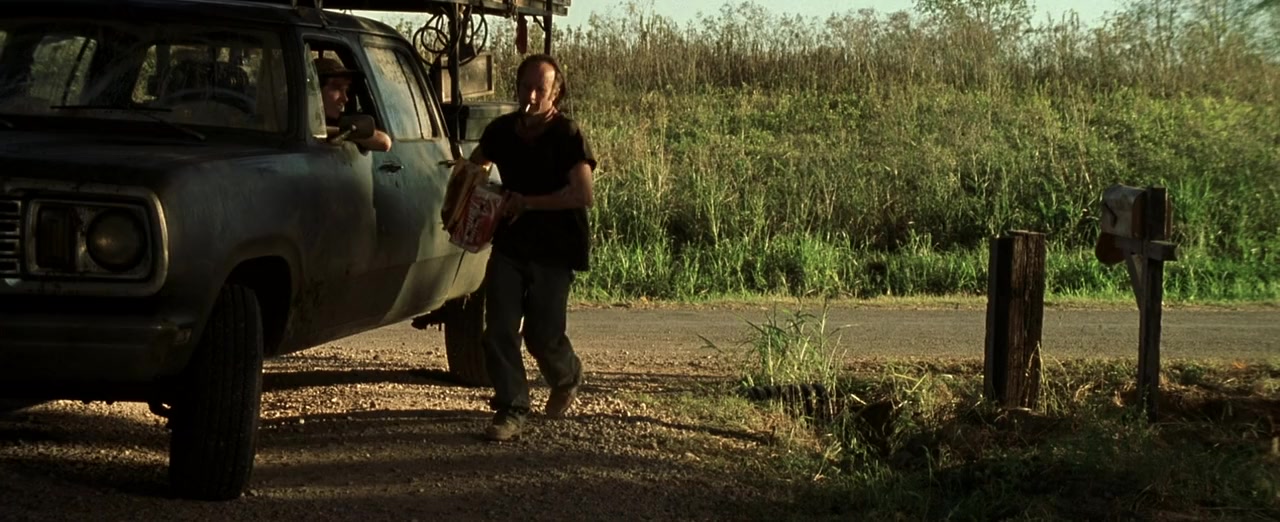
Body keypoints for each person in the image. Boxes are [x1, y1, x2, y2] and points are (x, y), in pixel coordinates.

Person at [467, 54, 597, 442]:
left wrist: (529, 203)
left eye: (541, 89)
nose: (532, 96)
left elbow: (583, 194)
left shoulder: (567, 135)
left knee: (543, 335)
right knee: (498, 329)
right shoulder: (502, 131)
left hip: (555, 248)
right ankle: (512, 407)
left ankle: (567, 375)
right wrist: (476, 196)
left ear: (555, 93)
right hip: (510, 244)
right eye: (526, 87)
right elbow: (475, 166)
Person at [314, 57, 392, 152]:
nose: (345, 98)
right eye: (337, 88)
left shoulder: (339, 122)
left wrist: (339, 131)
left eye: (346, 90)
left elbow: (384, 142)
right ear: (316, 90)